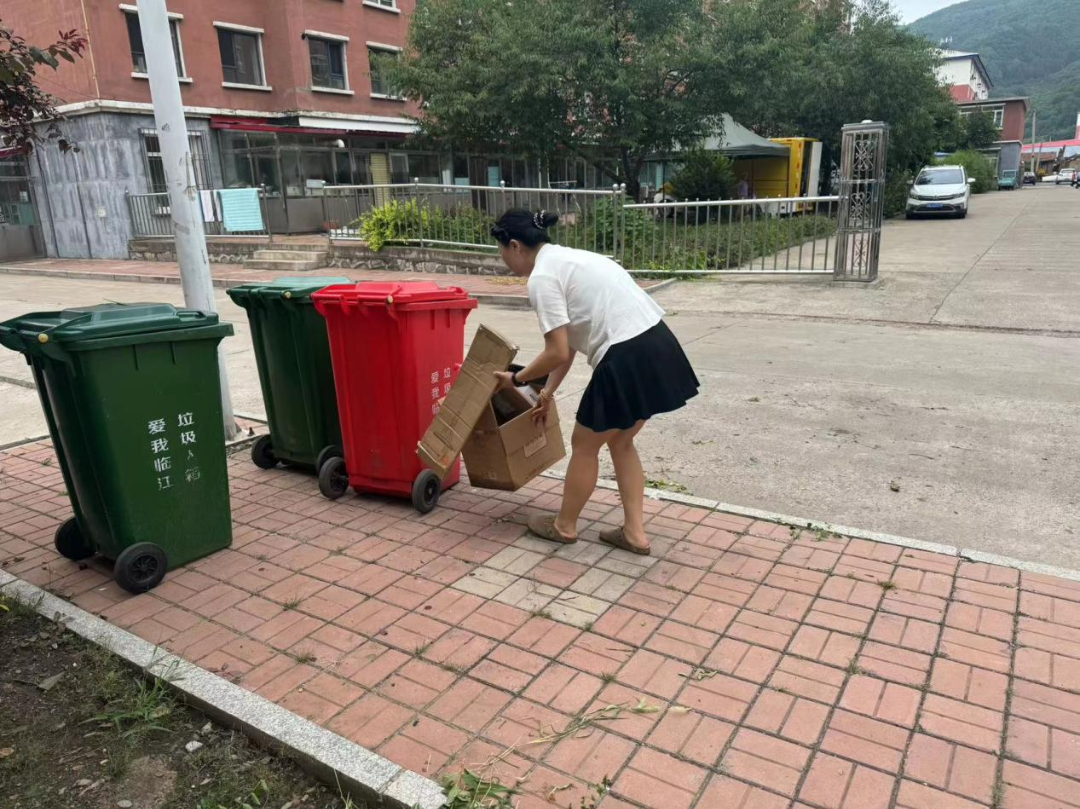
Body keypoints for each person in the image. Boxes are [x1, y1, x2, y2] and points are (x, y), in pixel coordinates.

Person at [490, 208, 699, 555]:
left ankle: (564, 526)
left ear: (514, 245)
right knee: (621, 442)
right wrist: (546, 392)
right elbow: (568, 347)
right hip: (657, 344)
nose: (502, 258)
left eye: (500, 250)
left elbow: (555, 351)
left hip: (626, 355)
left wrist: (517, 379)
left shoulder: (542, 278)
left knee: (585, 444)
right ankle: (634, 533)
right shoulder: (571, 259)